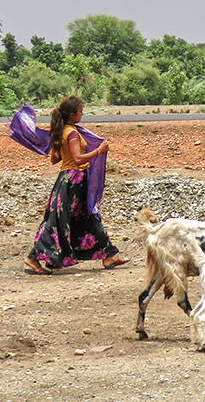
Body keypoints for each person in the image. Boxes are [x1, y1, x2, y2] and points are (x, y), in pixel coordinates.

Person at [23, 96, 128, 274]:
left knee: (81, 218)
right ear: (72, 115)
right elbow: (78, 159)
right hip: (75, 180)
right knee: (76, 218)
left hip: (66, 179)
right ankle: (33, 257)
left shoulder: (62, 130)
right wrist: (98, 151)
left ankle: (109, 255)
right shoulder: (71, 133)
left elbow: (55, 159)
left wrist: (64, 149)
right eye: (80, 111)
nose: (82, 113)